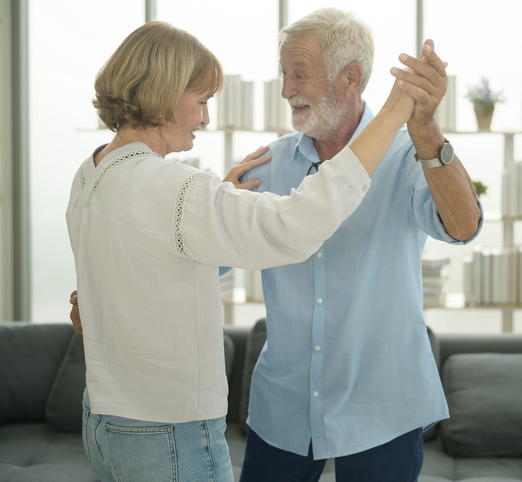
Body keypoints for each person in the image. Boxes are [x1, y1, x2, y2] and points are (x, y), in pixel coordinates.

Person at [66, 20, 423, 482]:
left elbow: (125, 270)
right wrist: (394, 115)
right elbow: (294, 226)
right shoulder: (177, 189)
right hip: (169, 431)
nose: (206, 118)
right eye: (200, 101)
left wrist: (215, 206)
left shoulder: (91, 172)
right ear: (163, 94)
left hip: (104, 421)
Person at [236, 8, 483, 482]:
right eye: (284, 74)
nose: (286, 89)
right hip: (283, 409)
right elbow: (207, 261)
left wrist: (427, 129)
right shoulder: (266, 166)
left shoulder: (410, 154)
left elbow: (464, 227)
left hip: (383, 406)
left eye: (300, 75)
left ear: (350, 78)